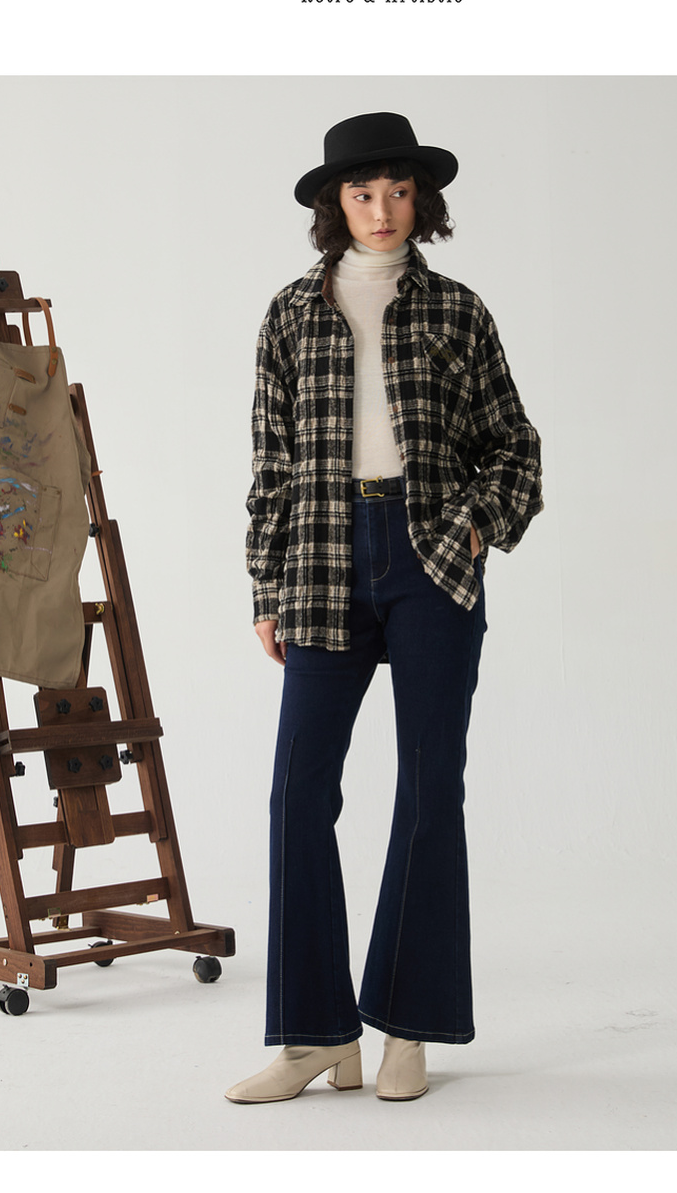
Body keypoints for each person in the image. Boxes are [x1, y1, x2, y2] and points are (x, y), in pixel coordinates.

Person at [226, 112, 542, 1105]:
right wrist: (266, 585)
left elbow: (515, 447)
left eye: (398, 191)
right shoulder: (290, 313)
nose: (381, 210)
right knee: (297, 793)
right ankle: (315, 1034)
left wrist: (473, 528)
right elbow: (272, 464)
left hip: (430, 555)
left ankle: (410, 1024)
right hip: (321, 558)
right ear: (336, 203)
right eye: (362, 193)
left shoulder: (456, 310)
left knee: (428, 785)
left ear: (421, 199)